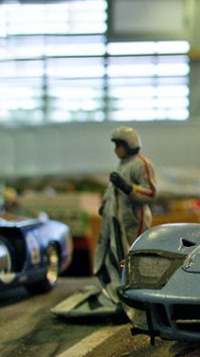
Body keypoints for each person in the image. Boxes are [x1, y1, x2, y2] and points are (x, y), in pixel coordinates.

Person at [52, 126, 157, 318]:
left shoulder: (141, 164)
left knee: (133, 257)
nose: (116, 150)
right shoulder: (123, 165)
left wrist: (127, 187)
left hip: (134, 220)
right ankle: (121, 291)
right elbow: (112, 191)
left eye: (119, 145)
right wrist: (105, 206)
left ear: (129, 145)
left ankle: (138, 295)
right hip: (117, 220)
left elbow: (150, 193)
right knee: (116, 257)